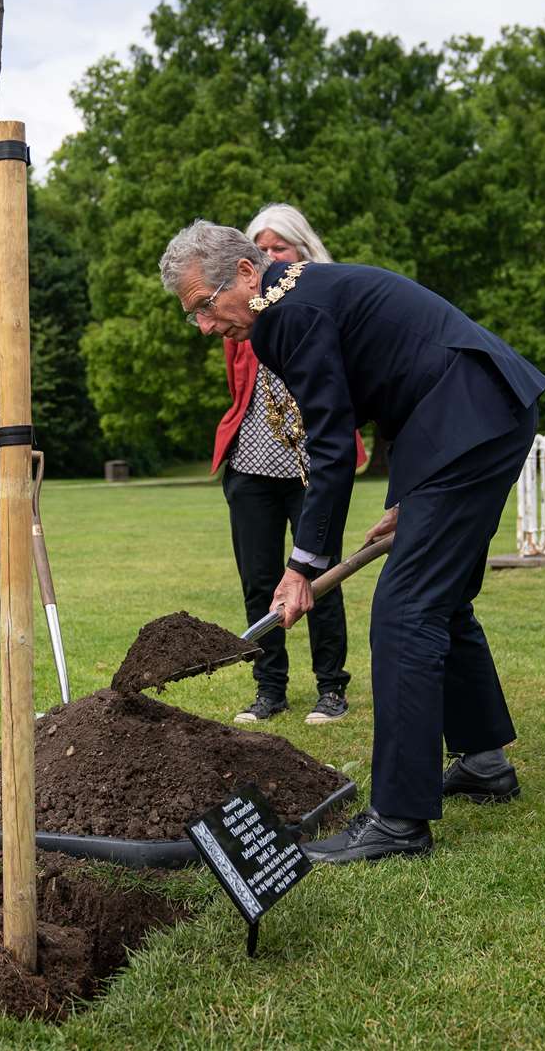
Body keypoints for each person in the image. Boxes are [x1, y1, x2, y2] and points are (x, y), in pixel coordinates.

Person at [159, 221, 545, 865]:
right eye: (194, 313)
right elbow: (399, 379)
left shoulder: (290, 313)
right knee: (441, 602)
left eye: (205, 305)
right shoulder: (292, 301)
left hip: (471, 414)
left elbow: (333, 447)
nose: (205, 326)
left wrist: (301, 565)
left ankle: (397, 824)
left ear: (248, 276)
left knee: (406, 613)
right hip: (465, 412)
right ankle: (483, 763)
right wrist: (406, 496)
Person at [213, 203, 365, 726]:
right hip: (252, 461)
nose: (271, 254)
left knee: (317, 574)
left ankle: (330, 688)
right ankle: (269, 689)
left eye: (279, 246)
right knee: (259, 581)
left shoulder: (317, 302)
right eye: (263, 247)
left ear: (300, 251)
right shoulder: (241, 314)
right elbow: (241, 387)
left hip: (311, 463)